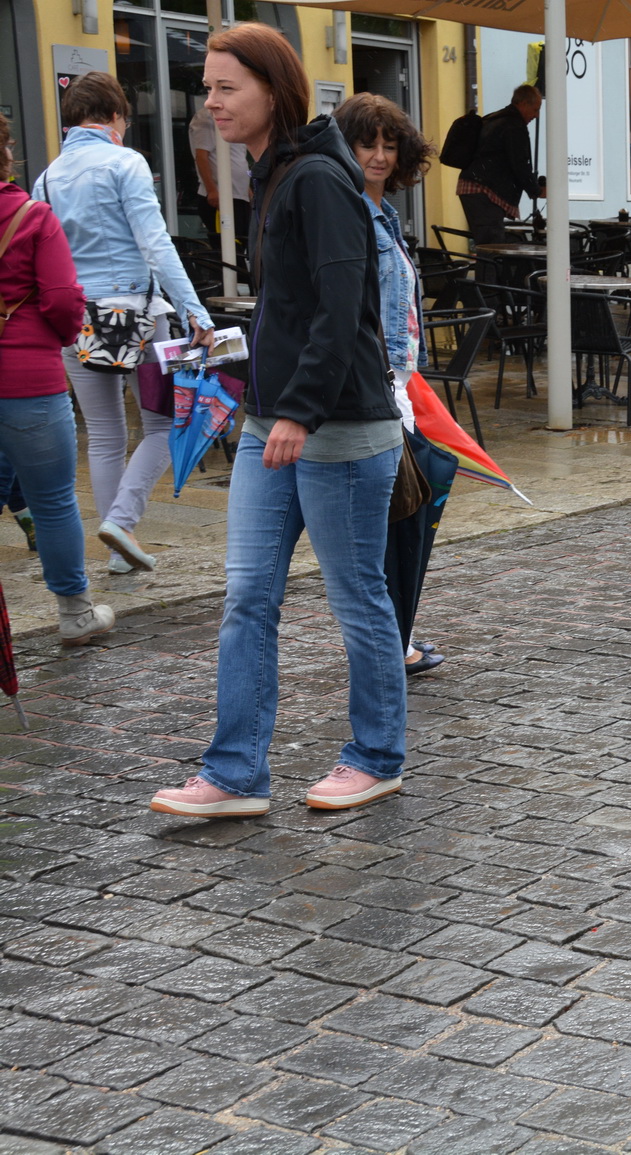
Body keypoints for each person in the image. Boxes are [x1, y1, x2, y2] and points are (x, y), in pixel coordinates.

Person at [150, 22, 405, 819]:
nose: (211, 101)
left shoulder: (318, 179)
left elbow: (340, 311)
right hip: (276, 422)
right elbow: (294, 310)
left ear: (272, 89)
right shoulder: (274, 172)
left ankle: (375, 755)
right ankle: (234, 774)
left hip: (340, 430)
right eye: (208, 87)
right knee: (247, 596)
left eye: (227, 87)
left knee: (356, 595)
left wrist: (296, 406)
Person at [34, 71, 215, 577]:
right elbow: (155, 244)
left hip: (76, 318)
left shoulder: (46, 177)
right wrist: (194, 310)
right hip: (133, 313)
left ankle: (119, 548)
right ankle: (122, 521)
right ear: (115, 117)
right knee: (164, 422)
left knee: (105, 433)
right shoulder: (125, 161)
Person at [333, 92, 446, 678]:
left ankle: (393, 633)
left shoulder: (387, 215)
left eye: (388, 143)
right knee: (391, 516)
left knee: (415, 499)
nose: (379, 155)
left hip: (400, 381)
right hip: (375, 387)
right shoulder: (348, 213)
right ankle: (385, 641)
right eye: (366, 143)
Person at [0, 111, 114, 646]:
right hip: (30, 381)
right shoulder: (30, 216)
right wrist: (61, 337)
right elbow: (66, 300)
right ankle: (74, 613)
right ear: (7, 152)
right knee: (52, 502)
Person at [456, 84, 545, 246]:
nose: (537, 116)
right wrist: (536, 190)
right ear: (524, 104)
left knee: (488, 246)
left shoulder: (494, 118)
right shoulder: (514, 126)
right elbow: (520, 165)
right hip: (483, 191)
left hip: (473, 187)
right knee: (492, 248)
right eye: (535, 109)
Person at [190, 103, 252, 244]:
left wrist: (246, 189)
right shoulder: (207, 117)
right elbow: (201, 156)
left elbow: (236, 158)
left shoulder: (233, 119)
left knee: (242, 243)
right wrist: (211, 190)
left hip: (238, 195)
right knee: (228, 246)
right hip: (221, 197)